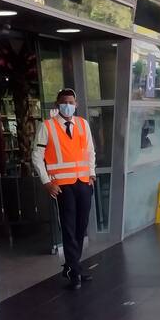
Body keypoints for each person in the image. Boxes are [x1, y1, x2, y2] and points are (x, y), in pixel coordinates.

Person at [32, 88, 97, 289]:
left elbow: (90, 151)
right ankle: (74, 271)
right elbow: (36, 156)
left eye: (71, 102)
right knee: (68, 228)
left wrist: (92, 174)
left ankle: (72, 266)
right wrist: (46, 182)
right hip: (62, 186)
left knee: (81, 227)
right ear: (57, 104)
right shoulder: (47, 126)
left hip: (83, 182)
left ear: (76, 104)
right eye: (64, 102)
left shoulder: (83, 124)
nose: (67, 105)